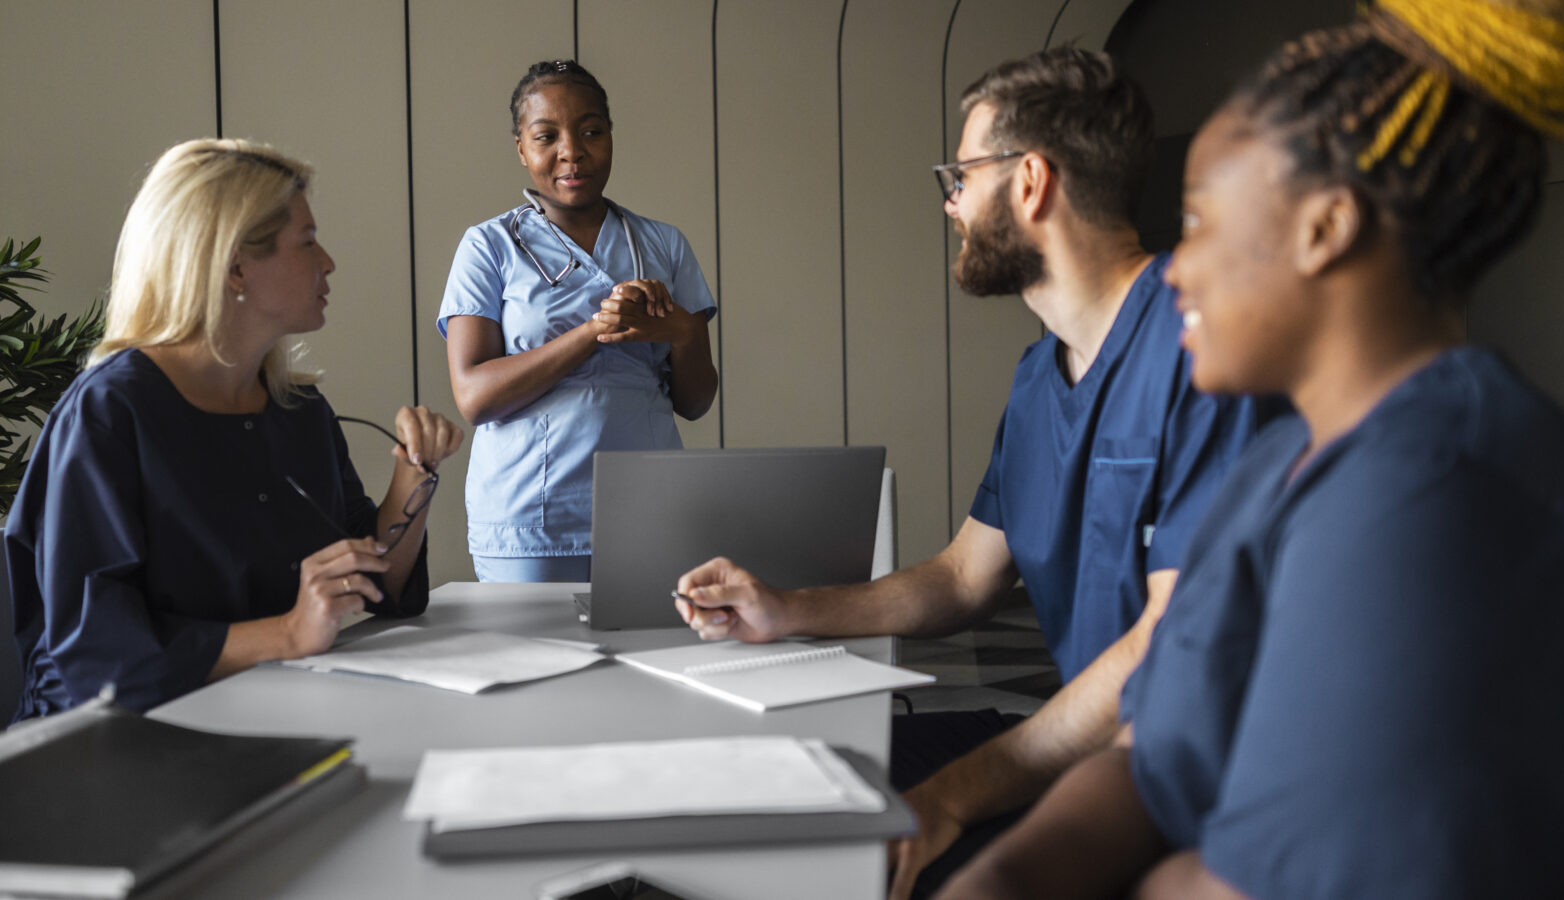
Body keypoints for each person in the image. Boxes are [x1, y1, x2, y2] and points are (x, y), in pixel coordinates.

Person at [936, 1, 1564, 897]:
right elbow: (1155, 756)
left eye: (1203, 223)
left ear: (1324, 228)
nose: (1179, 266)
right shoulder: (1271, 473)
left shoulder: (1442, 493)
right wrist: (1007, 876)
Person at [676, 46, 1272, 899]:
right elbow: (964, 577)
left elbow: (1165, 649)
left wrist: (954, 794)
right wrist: (786, 610)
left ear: (1030, 182)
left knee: (862, 857)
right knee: (779, 784)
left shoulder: (1201, 348)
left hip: (1180, 792)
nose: (951, 203)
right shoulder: (1040, 378)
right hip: (1080, 751)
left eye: (961, 175)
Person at [6, 139, 463, 721]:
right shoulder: (109, 413)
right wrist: (291, 633)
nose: (327, 262)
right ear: (235, 267)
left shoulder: (298, 409)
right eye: (306, 242)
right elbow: (96, 652)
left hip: (269, 711)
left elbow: (376, 585)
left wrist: (413, 475)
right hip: (112, 743)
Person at [439, 59, 718, 584]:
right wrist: (594, 331)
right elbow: (474, 397)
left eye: (592, 131)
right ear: (521, 148)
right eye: (547, 136)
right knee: (536, 667)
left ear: (611, 136)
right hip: (531, 520)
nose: (573, 151)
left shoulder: (663, 244)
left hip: (651, 513)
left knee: (649, 661)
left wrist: (683, 331)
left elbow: (696, 403)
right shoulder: (488, 247)